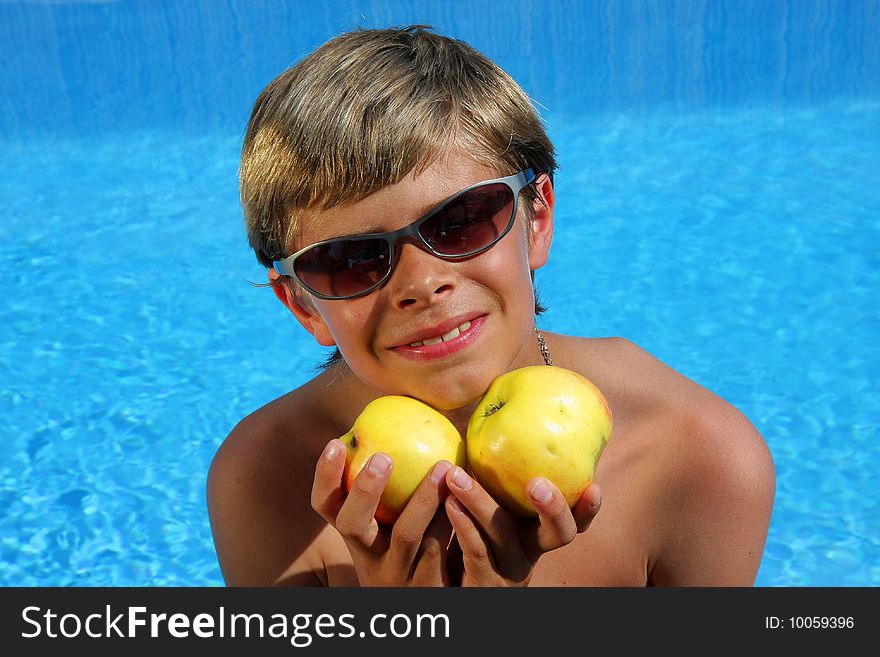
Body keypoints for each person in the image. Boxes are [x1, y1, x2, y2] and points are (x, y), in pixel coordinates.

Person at [207, 25, 775, 586]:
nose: (422, 282)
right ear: (302, 305)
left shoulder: (693, 457)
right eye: (351, 257)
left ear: (537, 219)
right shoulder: (269, 482)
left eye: (460, 222)